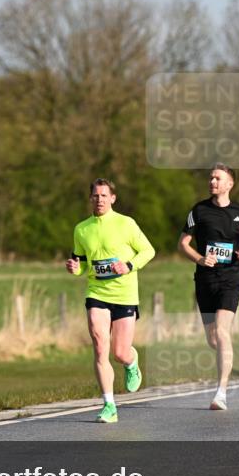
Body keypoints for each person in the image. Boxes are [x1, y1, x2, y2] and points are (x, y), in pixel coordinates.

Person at [66, 179, 155, 423]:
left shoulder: (126, 224)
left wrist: (128, 265)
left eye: (104, 195)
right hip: (97, 292)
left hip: (125, 294)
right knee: (99, 344)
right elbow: (81, 263)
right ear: (90, 198)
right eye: (95, 196)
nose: (100, 199)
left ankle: (131, 361)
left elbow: (148, 251)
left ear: (113, 198)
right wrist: (75, 267)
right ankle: (109, 405)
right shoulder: (82, 229)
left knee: (119, 352)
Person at [179, 163, 239, 411]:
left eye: (218, 178)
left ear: (229, 184)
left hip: (232, 277)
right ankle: (227, 356)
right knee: (213, 339)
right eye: (211, 178)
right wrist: (200, 259)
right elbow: (183, 244)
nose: (212, 182)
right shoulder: (198, 211)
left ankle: (221, 392)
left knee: (222, 332)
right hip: (205, 279)